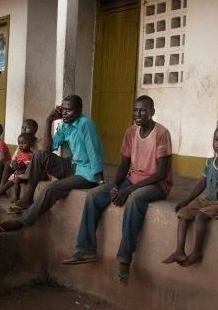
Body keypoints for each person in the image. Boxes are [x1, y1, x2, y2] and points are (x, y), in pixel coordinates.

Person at [62, 96, 172, 285]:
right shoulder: (130, 132)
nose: (138, 114)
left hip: (157, 184)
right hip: (132, 179)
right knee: (95, 195)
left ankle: (124, 259)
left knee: (135, 199)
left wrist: (128, 191)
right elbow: (124, 164)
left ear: (152, 112)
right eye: (135, 110)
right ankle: (86, 248)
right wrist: (114, 185)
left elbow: (161, 172)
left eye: (143, 110)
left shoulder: (162, 133)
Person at [0, 95, 104, 231]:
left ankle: (21, 222)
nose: (65, 113)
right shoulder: (65, 125)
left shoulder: (85, 124)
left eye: (69, 110)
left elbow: (94, 152)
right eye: (63, 110)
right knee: (39, 155)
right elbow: (47, 149)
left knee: (51, 188)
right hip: (72, 166)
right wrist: (48, 121)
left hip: (87, 173)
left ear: (79, 111)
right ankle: (28, 198)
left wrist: (100, 182)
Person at [163, 126, 218, 267]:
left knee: (200, 216)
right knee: (184, 214)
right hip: (206, 200)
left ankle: (196, 252)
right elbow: (202, 184)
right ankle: (179, 250)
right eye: (216, 139)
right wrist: (187, 200)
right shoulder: (209, 162)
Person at [0, 132, 36, 202]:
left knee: (15, 180)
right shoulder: (18, 151)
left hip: (25, 174)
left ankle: (15, 197)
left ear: (31, 145)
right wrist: (14, 162)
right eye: (19, 143)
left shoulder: (32, 155)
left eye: (24, 143)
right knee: (10, 181)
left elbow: (31, 164)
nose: (21, 145)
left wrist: (24, 164)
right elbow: (14, 158)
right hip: (17, 173)